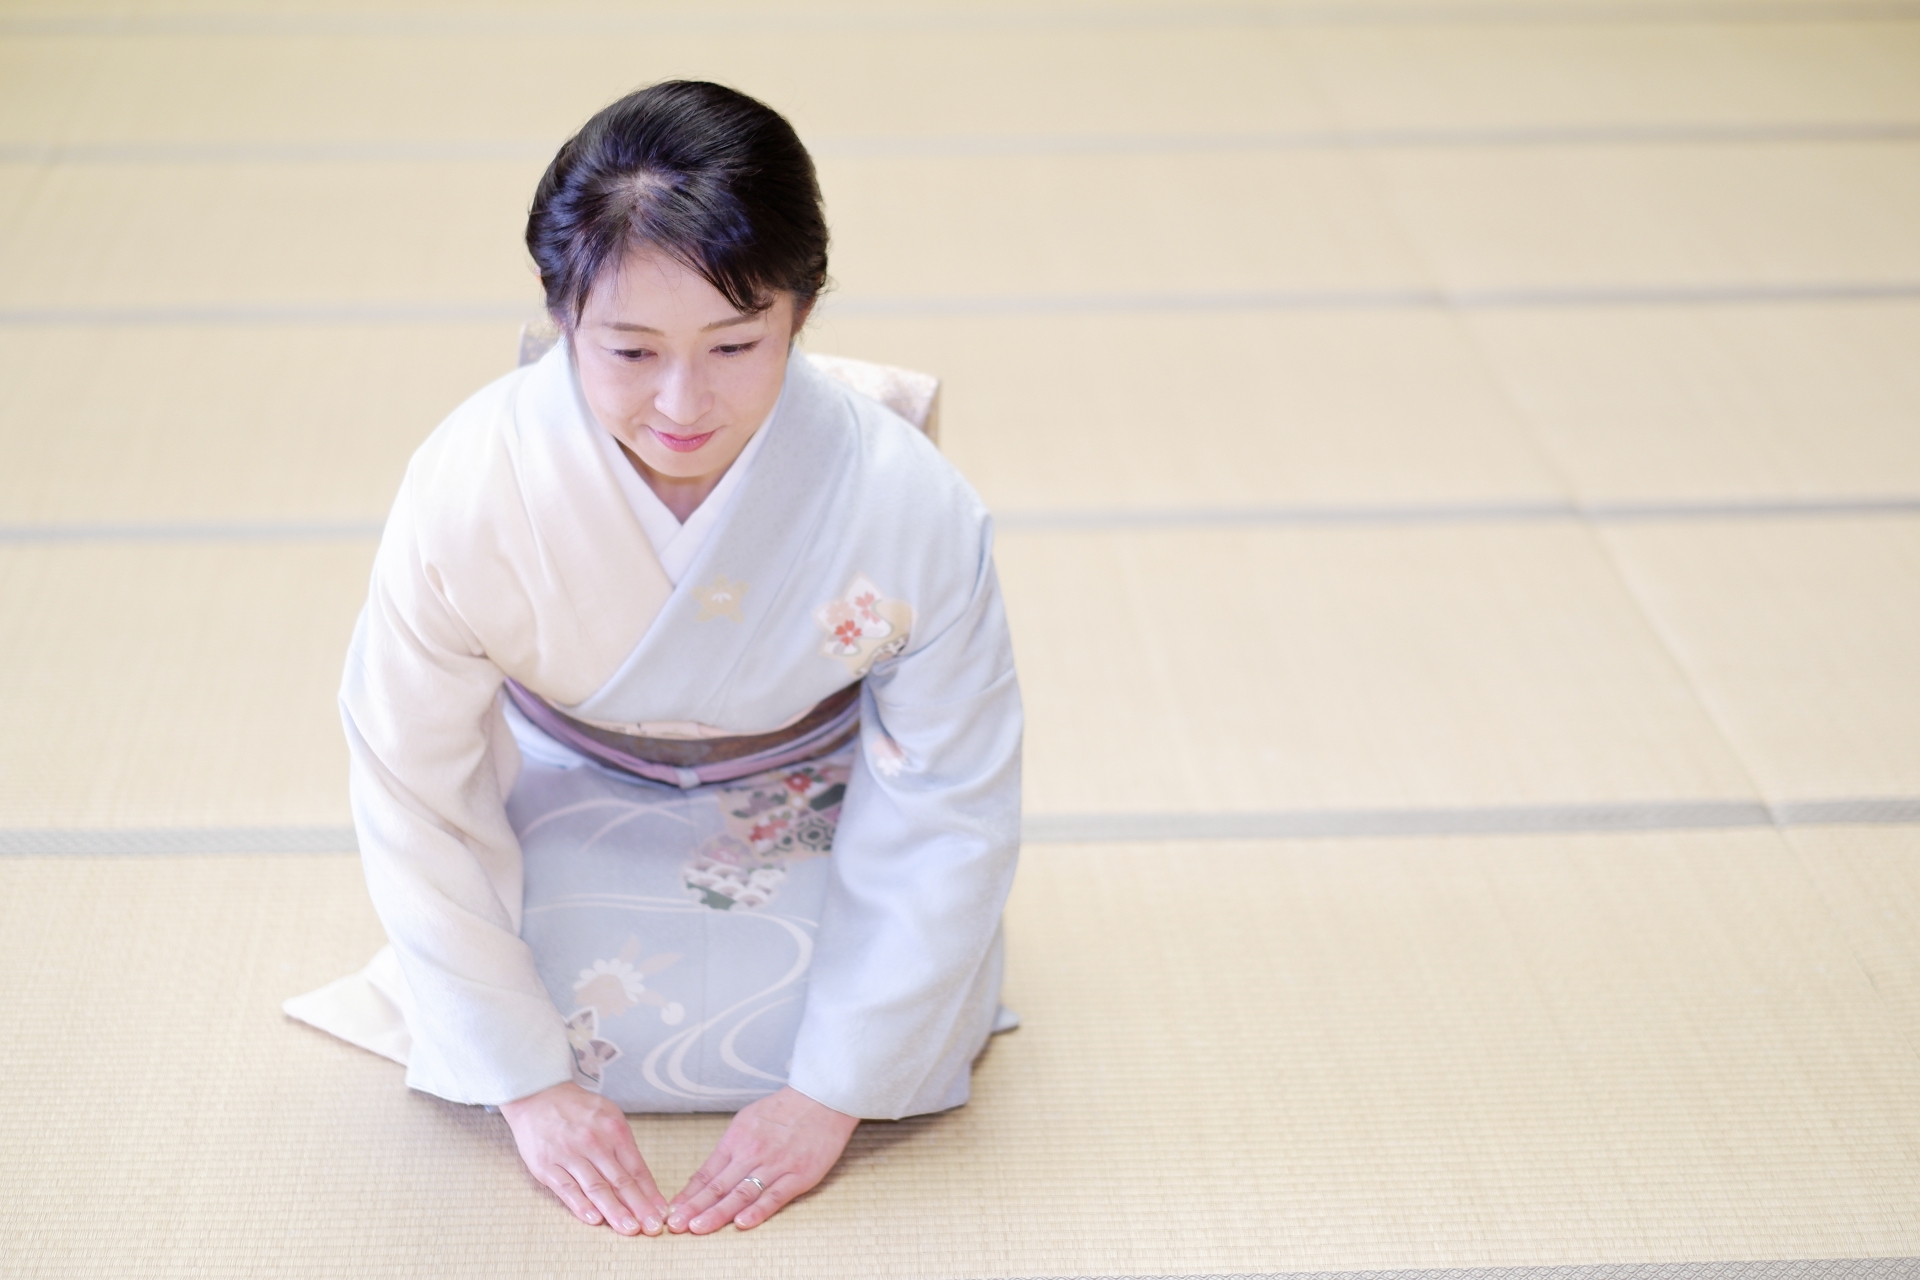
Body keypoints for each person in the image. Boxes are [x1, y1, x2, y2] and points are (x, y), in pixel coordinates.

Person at [284, 80, 1022, 1237]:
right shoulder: (471, 489)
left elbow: (949, 795)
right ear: (561, 311)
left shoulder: (904, 503)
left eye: (737, 342)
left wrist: (831, 1095)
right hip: (564, 786)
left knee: (858, 1005)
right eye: (629, 348)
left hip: (811, 793)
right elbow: (413, 778)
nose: (684, 401)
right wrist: (527, 1084)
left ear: (804, 309)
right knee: (548, 998)